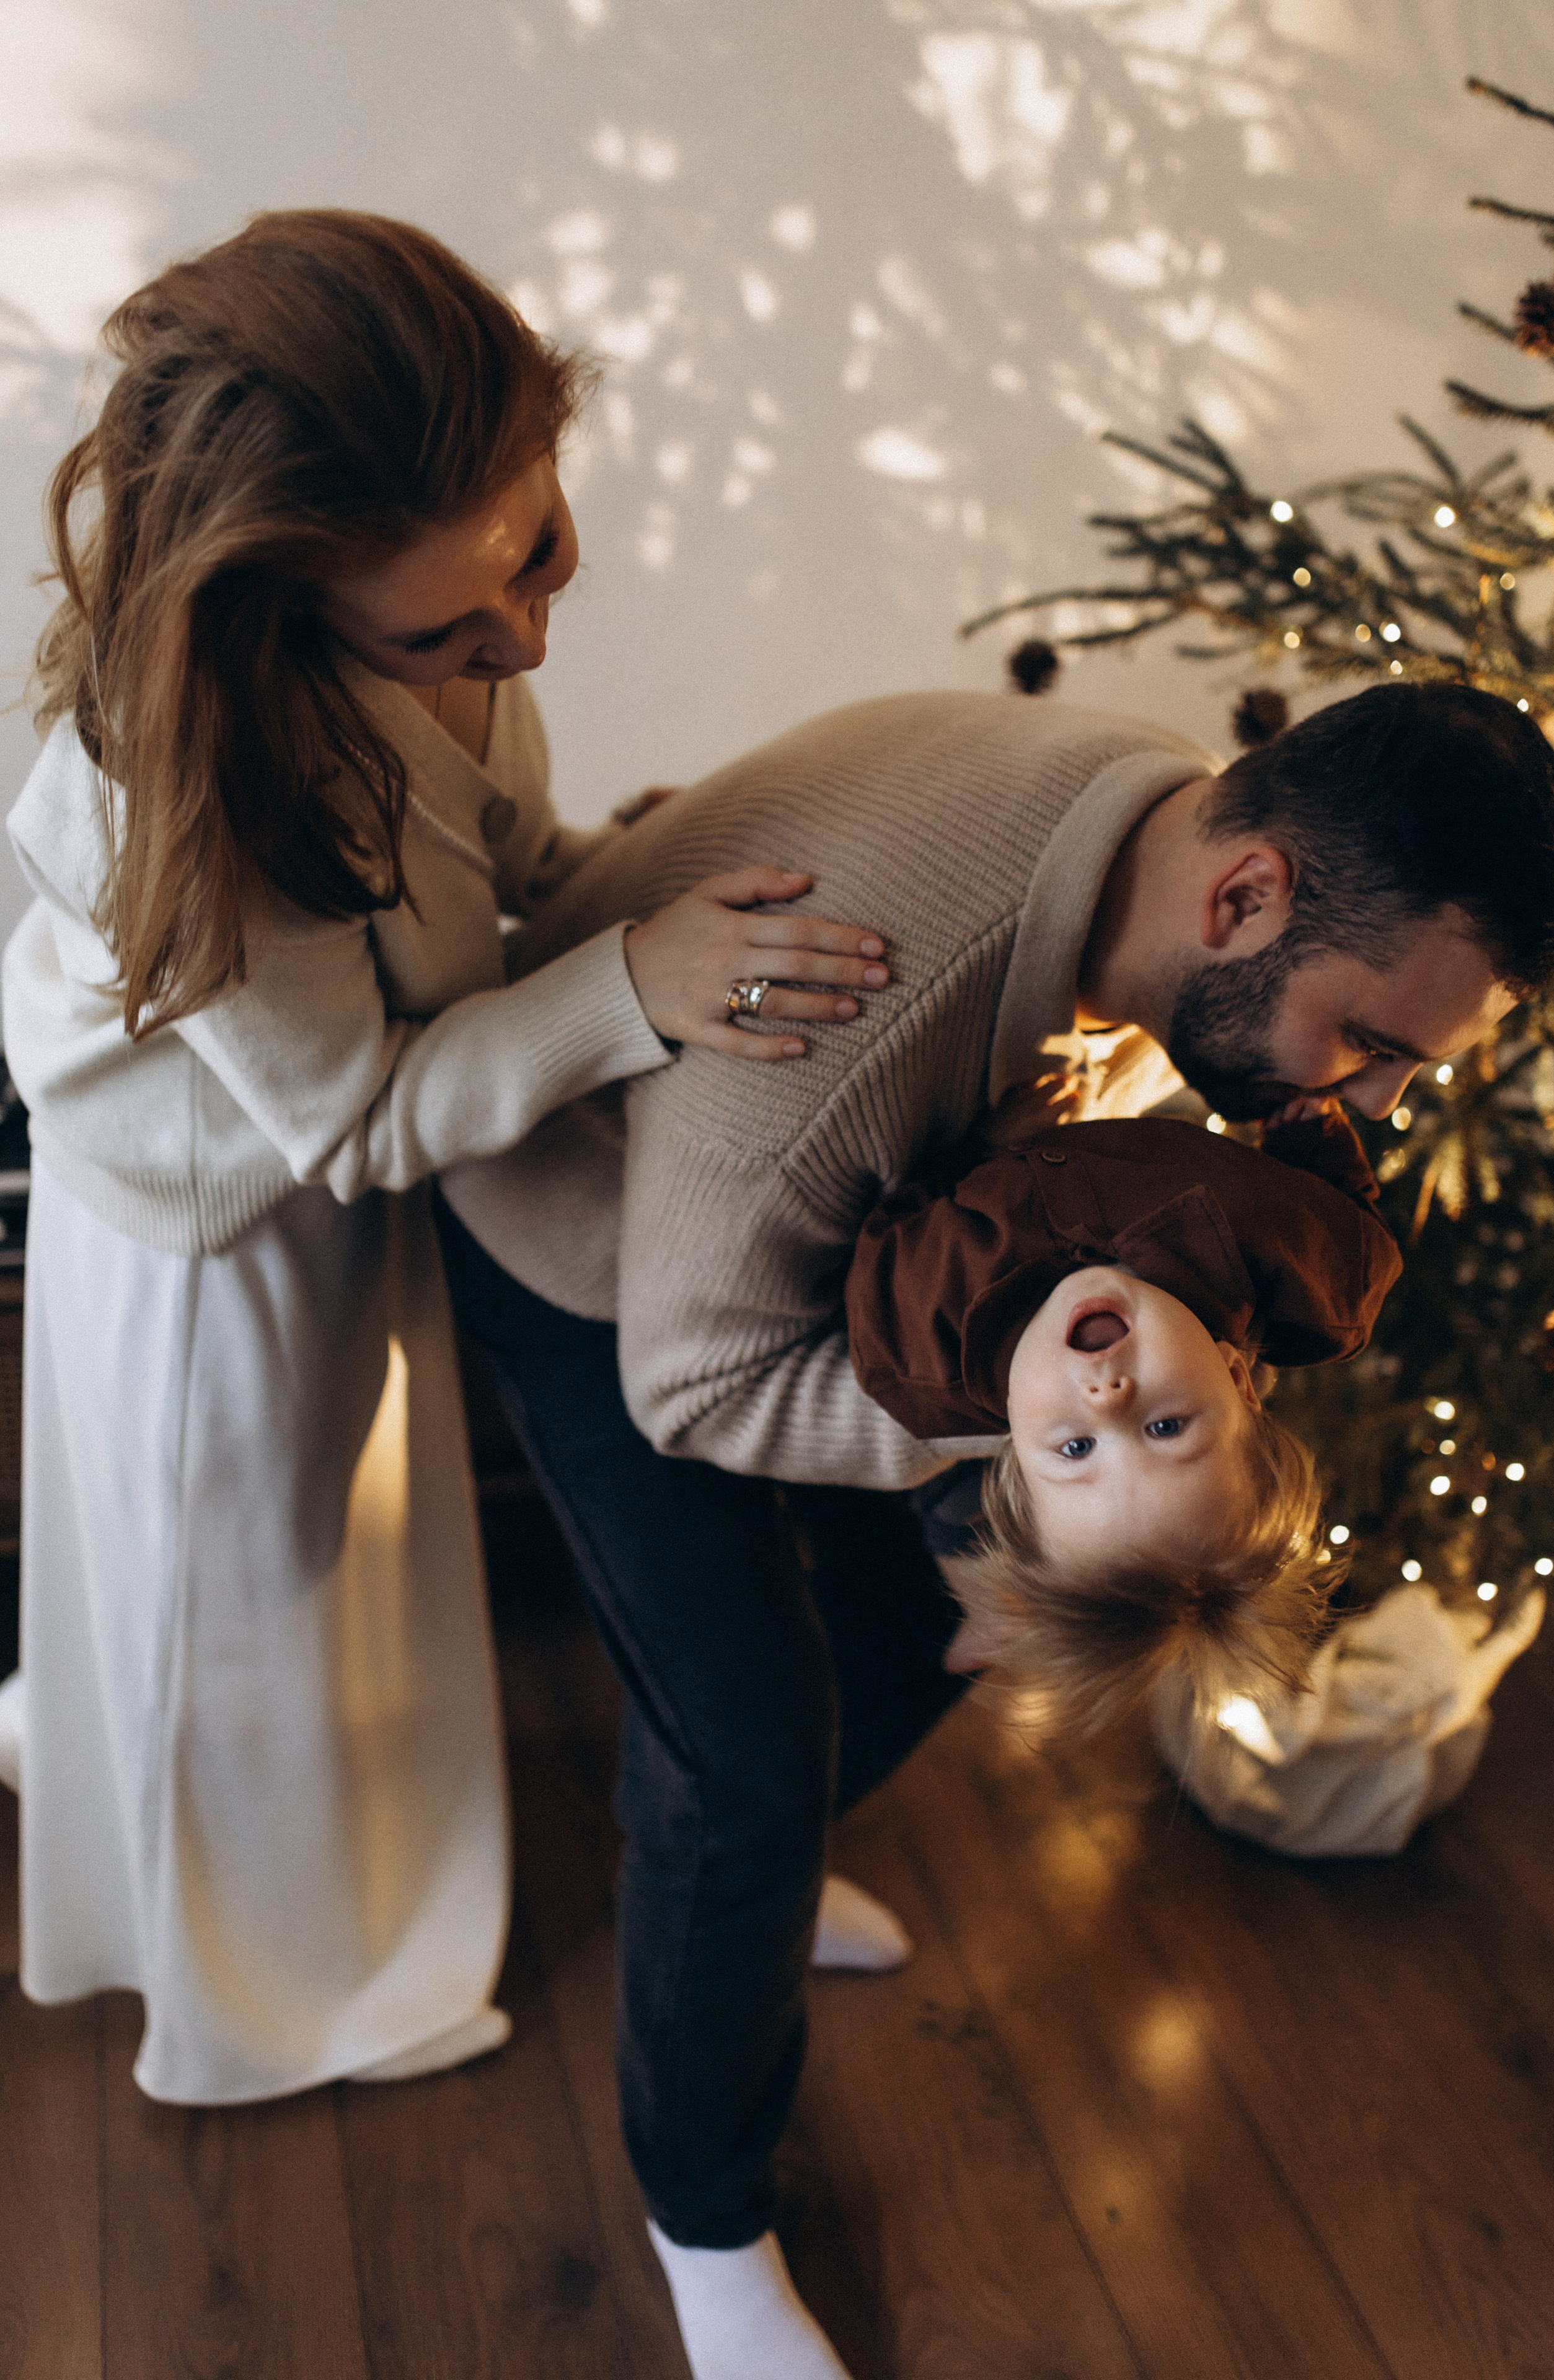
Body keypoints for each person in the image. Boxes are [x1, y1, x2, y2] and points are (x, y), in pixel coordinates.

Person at [436, 676, 1554, 2379]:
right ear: (1247, 901)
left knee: (970, 1612)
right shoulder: (859, 1011)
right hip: (595, 1253)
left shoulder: (1169, 836)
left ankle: (752, 1887)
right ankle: (707, 2213)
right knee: (743, 1751)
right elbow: (699, 1387)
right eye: (1374, 1045)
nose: (1380, 1103)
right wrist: (1030, 1448)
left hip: (843, 1252)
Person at [0, 209, 892, 2107]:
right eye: (447, 631)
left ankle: (370, 1875)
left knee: (360, 1569)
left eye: (541, 550)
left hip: (371, 1149)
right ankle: (262, 1991)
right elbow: (348, 1114)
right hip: (209, 1227)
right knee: (234, 1603)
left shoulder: (451, 627)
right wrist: (634, 982)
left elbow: (487, 897)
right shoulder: (197, 771)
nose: (526, 636)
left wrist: (629, 896)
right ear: (277, 604)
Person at [844, 1080, 1404, 1723]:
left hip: (992, 1129)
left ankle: (978, 1591)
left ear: (1010, 1454)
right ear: (1239, 1379)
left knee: (951, 1506)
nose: (1109, 1400)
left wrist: (984, 1146)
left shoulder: (917, 1347)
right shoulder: (1307, 1276)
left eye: (1078, 1446)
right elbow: (1358, 1232)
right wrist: (1309, 1131)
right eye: (1166, 1427)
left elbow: (888, 1222)